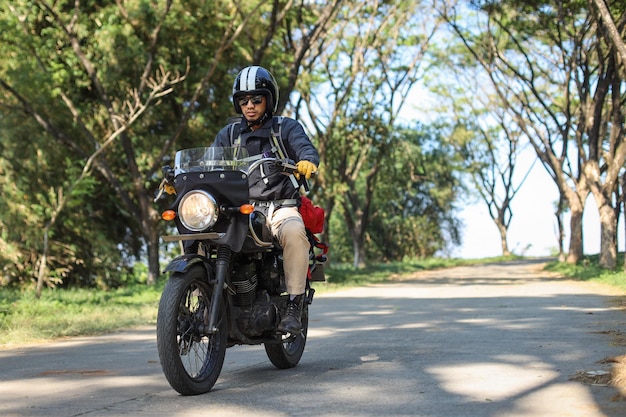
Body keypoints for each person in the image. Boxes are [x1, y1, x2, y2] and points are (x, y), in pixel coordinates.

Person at [212, 66, 319, 334]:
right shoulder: (229, 134)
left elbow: (304, 146)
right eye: (244, 101)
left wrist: (306, 160)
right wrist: (181, 179)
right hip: (238, 210)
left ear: (268, 100)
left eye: (256, 100)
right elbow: (210, 162)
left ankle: (294, 304)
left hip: (278, 207)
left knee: (295, 232)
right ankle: (201, 292)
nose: (249, 106)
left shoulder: (286, 128)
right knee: (199, 232)